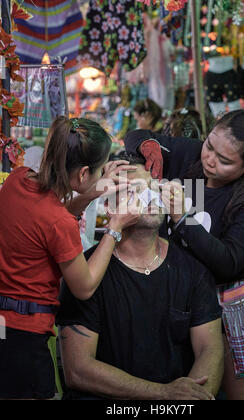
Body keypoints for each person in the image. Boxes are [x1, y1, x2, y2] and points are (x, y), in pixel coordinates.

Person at [124, 109, 244, 400]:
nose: (210, 160)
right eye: (210, 146)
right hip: (190, 293)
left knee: (238, 390)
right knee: (187, 388)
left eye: (224, 161)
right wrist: (149, 148)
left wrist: (183, 218)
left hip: (239, 299)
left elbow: (228, 263)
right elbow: (136, 136)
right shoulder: (194, 156)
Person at [56, 156, 224, 401]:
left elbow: (210, 349)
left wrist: (191, 398)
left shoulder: (192, 270)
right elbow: (78, 370)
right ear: (111, 208)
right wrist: (163, 393)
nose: (150, 197)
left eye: (154, 188)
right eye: (136, 190)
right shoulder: (85, 274)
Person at [0, 117, 142, 400]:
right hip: (23, 336)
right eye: (100, 170)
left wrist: (88, 195)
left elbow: (45, 222)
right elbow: (84, 286)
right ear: (83, 173)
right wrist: (115, 227)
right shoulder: (57, 223)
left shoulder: (18, 179)